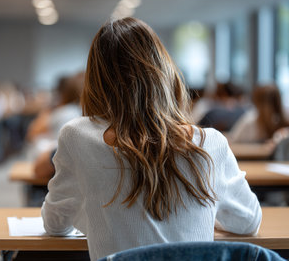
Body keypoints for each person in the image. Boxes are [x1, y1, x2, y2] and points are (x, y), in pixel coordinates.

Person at [41, 18, 262, 261]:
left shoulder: (77, 135)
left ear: (96, 81)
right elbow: (248, 222)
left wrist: (94, 215)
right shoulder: (210, 143)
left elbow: (55, 224)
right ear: (164, 71)